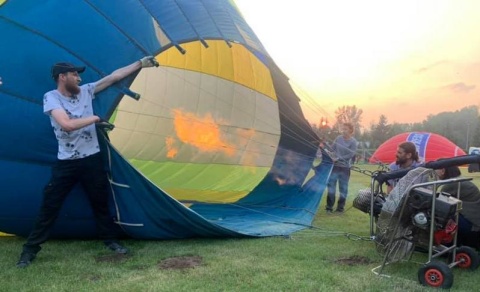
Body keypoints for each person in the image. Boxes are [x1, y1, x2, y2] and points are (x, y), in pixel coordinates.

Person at [16, 56, 158, 268]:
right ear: (62, 77)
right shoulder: (51, 97)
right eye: (75, 74)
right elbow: (66, 125)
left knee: (100, 202)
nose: (79, 79)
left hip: (92, 159)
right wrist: (95, 119)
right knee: (50, 206)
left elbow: (114, 77)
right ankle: (29, 251)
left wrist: (140, 63)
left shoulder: (86, 91)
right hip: (67, 164)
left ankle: (110, 241)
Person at [436, 165, 480, 250]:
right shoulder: (460, 180)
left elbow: (439, 203)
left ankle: (441, 243)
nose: (434, 173)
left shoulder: (451, 184)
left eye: (436, 170)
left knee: (437, 214)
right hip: (474, 222)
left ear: (442, 170)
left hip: (472, 225)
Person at [325, 122, 358, 213]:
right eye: (342, 129)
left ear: (350, 130)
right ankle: (329, 207)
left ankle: (340, 208)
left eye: (345, 129)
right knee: (331, 186)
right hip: (335, 167)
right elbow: (332, 149)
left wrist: (339, 158)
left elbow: (351, 154)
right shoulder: (338, 138)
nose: (343, 131)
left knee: (343, 188)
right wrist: (325, 147)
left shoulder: (353, 142)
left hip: (345, 168)